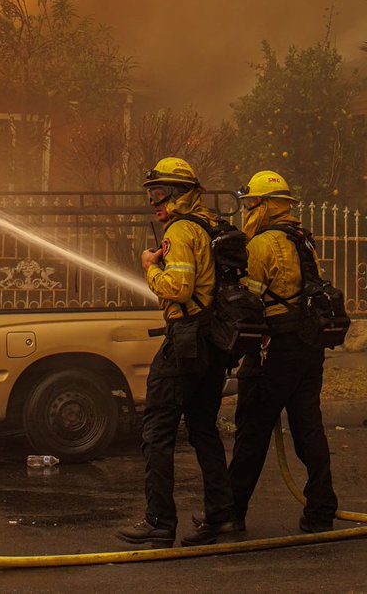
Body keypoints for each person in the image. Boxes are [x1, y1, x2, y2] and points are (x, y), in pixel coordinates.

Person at [116, 157, 239, 548]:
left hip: (186, 339)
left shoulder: (182, 230)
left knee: (156, 430)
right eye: (151, 193)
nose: (153, 201)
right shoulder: (210, 225)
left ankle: (159, 521)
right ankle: (222, 515)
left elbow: (180, 286)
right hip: (213, 341)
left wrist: (149, 267)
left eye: (158, 193)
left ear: (179, 194)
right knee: (203, 428)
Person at [227, 170, 337, 533]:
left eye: (250, 204)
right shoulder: (302, 238)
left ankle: (230, 513)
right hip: (308, 345)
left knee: (251, 432)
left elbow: (250, 301)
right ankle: (321, 510)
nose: (246, 210)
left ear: (264, 205)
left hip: (275, 349)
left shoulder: (262, 244)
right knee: (308, 429)